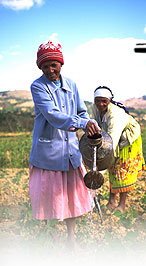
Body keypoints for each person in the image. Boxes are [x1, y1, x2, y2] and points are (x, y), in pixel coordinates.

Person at [29, 39, 99, 247]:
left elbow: (81, 111)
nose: (50, 70)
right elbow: (54, 116)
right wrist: (82, 123)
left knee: (71, 197)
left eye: (54, 65)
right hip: (48, 151)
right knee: (49, 199)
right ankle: (51, 236)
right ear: (40, 67)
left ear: (61, 64)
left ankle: (71, 239)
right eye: (44, 66)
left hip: (70, 150)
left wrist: (89, 123)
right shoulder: (37, 86)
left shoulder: (72, 84)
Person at [92, 86, 145, 213]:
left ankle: (122, 205)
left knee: (123, 170)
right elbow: (96, 127)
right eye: (98, 100)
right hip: (112, 138)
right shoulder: (95, 109)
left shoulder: (115, 114)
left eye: (104, 101)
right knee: (113, 169)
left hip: (128, 138)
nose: (100, 104)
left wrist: (100, 170)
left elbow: (113, 140)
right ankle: (111, 201)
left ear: (109, 100)